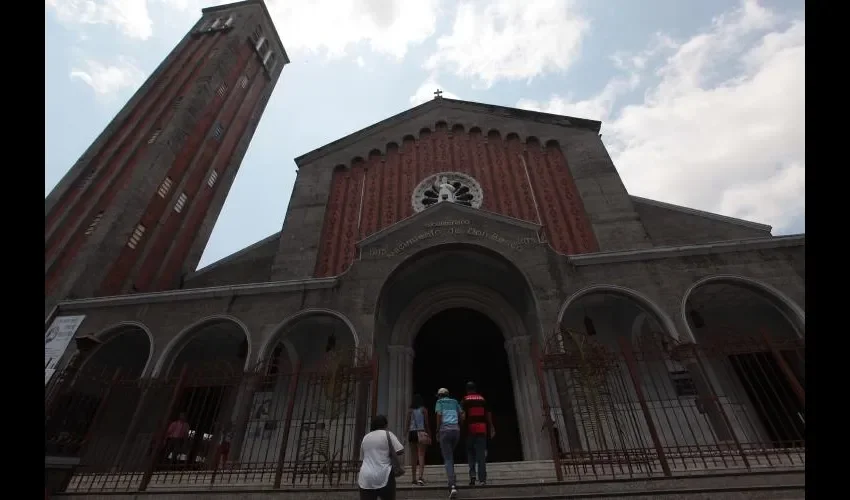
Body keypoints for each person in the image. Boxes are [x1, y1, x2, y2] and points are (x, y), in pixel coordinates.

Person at [358, 414, 404, 500]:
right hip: (384, 475)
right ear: (385, 425)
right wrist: (389, 453)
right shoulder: (387, 434)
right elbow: (400, 450)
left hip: (366, 478)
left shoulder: (366, 437)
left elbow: (363, 457)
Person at [461, 381, 495, 486]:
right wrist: (491, 427)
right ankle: (482, 480)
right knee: (481, 455)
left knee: (470, 453)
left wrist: (461, 427)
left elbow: (462, 416)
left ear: (467, 390)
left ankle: (472, 476)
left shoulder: (465, 400)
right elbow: (488, 414)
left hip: (469, 429)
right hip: (481, 429)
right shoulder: (482, 399)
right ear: (475, 389)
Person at [435, 387, 463, 499]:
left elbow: (438, 415)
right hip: (456, 431)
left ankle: (452, 486)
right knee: (450, 455)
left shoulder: (439, 402)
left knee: (448, 458)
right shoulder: (455, 402)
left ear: (440, 395)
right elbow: (462, 415)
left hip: (445, 431)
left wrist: (437, 430)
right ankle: (452, 478)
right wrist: (459, 425)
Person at [407, 394, 431, 486]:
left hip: (412, 433)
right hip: (421, 432)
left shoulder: (410, 410)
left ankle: (413, 478)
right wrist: (429, 433)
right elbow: (427, 423)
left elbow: (407, 423)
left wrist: (405, 434)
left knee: (413, 457)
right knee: (421, 455)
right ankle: (420, 477)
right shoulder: (424, 409)